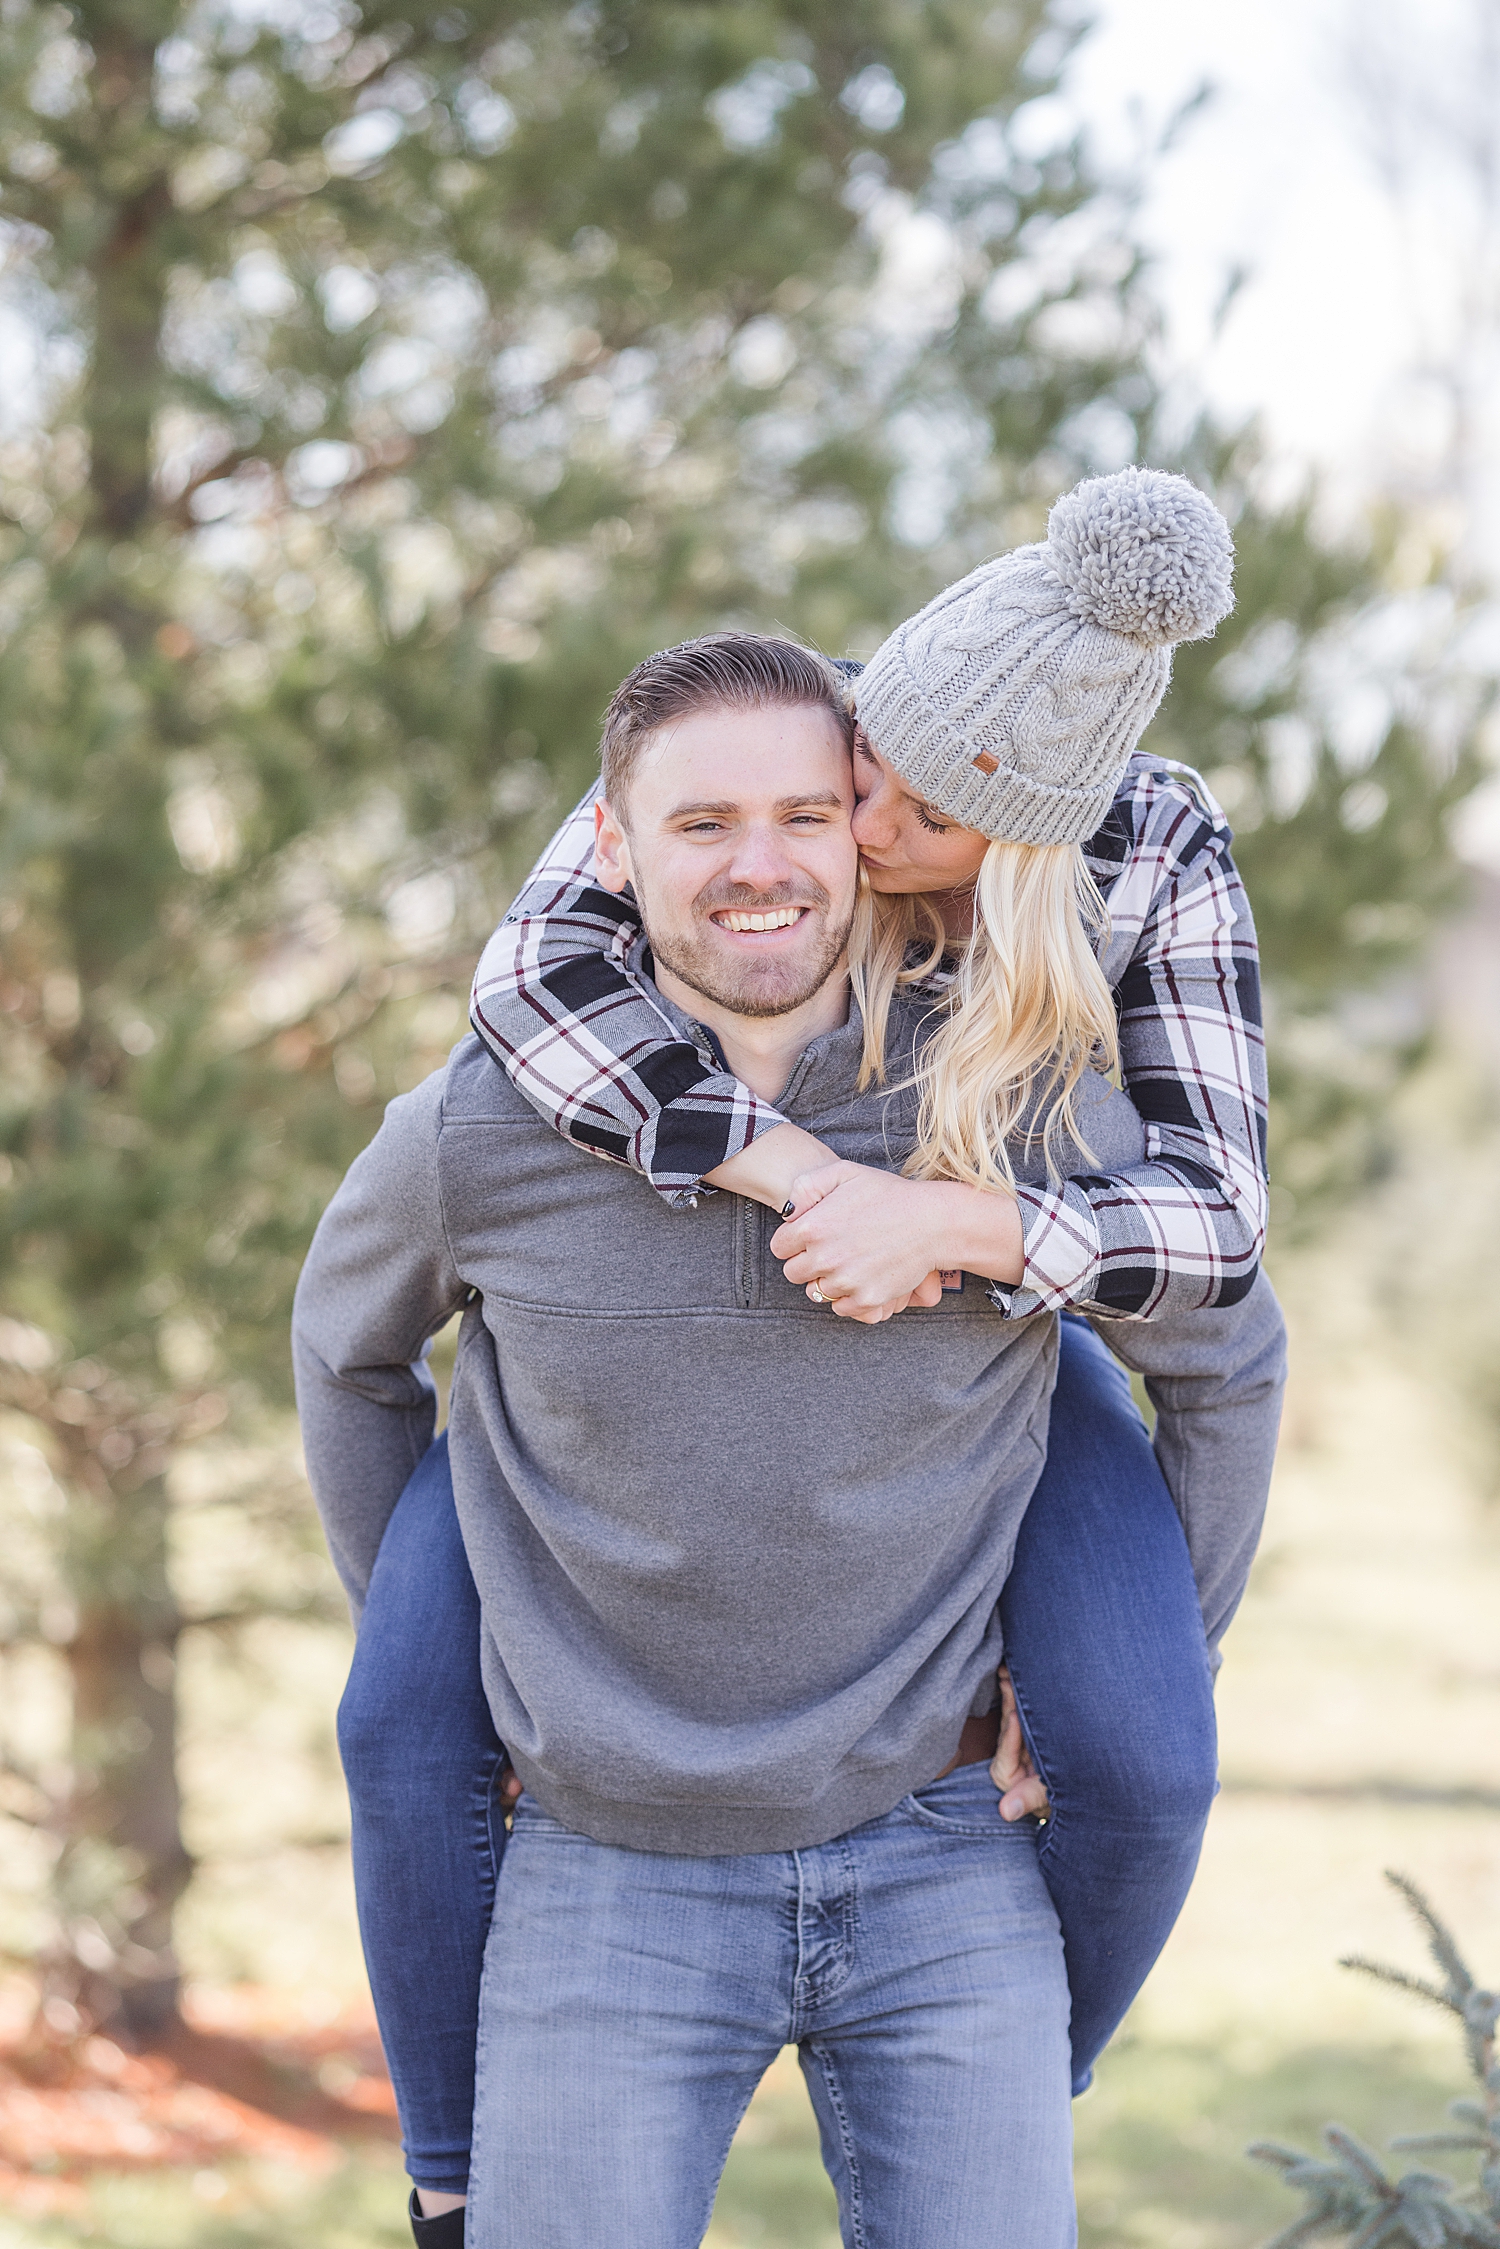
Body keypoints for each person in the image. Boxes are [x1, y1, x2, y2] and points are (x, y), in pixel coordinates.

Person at [308, 476, 1285, 2243]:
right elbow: (522, 1002)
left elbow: (1222, 1237)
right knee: (403, 1710)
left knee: (1142, 1743)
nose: (839, 822)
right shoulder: (747, 773)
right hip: (616, 1811)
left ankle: (1030, 2061)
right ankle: (449, 2169)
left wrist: (962, 1225)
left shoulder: (1089, 958)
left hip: (1010, 1342)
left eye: (875, 814)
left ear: (1010, 845)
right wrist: (805, 1176)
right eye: (858, 772)